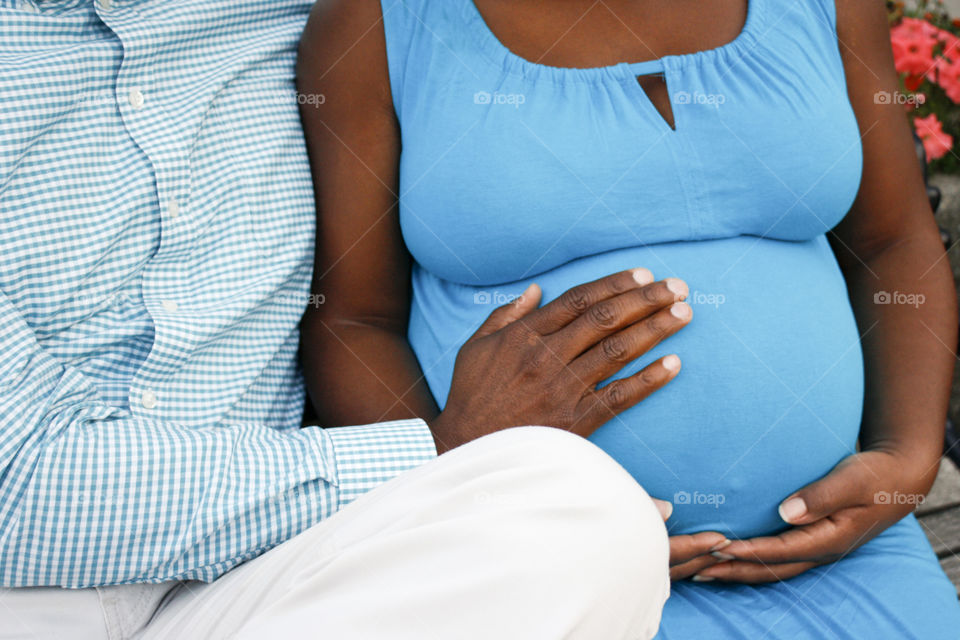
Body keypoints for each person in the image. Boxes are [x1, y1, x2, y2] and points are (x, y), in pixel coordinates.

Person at [0, 2, 695, 638]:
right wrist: (442, 450)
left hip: (269, 574)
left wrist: (808, 434)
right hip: (25, 591)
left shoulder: (312, 16)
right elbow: (18, 488)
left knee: (586, 518)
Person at [296, 0, 960, 636]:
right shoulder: (375, 23)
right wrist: (466, 497)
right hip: (533, 572)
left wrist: (907, 462)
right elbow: (352, 321)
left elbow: (893, 242)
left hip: (844, 555)